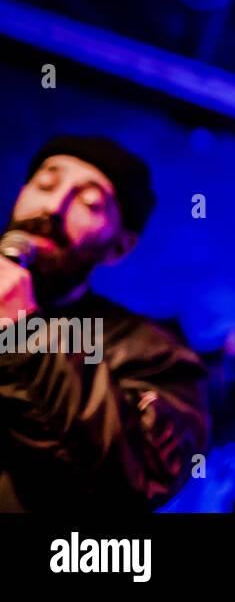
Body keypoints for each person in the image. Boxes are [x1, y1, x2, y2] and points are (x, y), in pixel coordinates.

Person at [0, 135, 210, 511]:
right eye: (45, 184)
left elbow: (131, 478)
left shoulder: (153, 353)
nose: (53, 206)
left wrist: (21, 332)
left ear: (119, 247)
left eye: (90, 202)